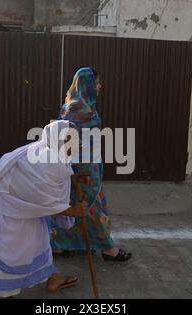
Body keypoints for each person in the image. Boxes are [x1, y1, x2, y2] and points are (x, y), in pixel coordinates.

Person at [0, 120, 88, 298]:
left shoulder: (49, 151)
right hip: (13, 215)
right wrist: (73, 211)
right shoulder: (49, 161)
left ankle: (51, 278)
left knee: (40, 244)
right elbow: (45, 200)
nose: (79, 143)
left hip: (22, 211)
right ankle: (4, 293)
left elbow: (43, 189)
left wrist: (73, 179)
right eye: (75, 139)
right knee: (17, 253)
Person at [50, 67, 132, 262]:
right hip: (82, 169)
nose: (99, 86)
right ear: (87, 84)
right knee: (92, 207)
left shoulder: (78, 104)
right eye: (96, 82)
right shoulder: (77, 108)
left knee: (77, 205)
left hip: (86, 165)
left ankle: (64, 245)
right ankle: (107, 249)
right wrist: (81, 167)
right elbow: (68, 140)